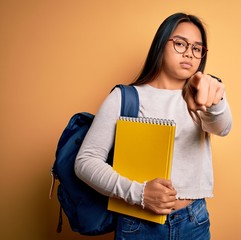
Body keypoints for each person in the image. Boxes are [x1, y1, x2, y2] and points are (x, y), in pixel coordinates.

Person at [75, 12, 232, 240]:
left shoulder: (206, 94)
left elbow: (222, 128)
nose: (189, 52)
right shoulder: (125, 97)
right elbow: (85, 161)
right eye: (180, 43)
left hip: (194, 222)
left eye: (197, 48)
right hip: (137, 223)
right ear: (161, 44)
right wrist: (139, 194)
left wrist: (213, 99)